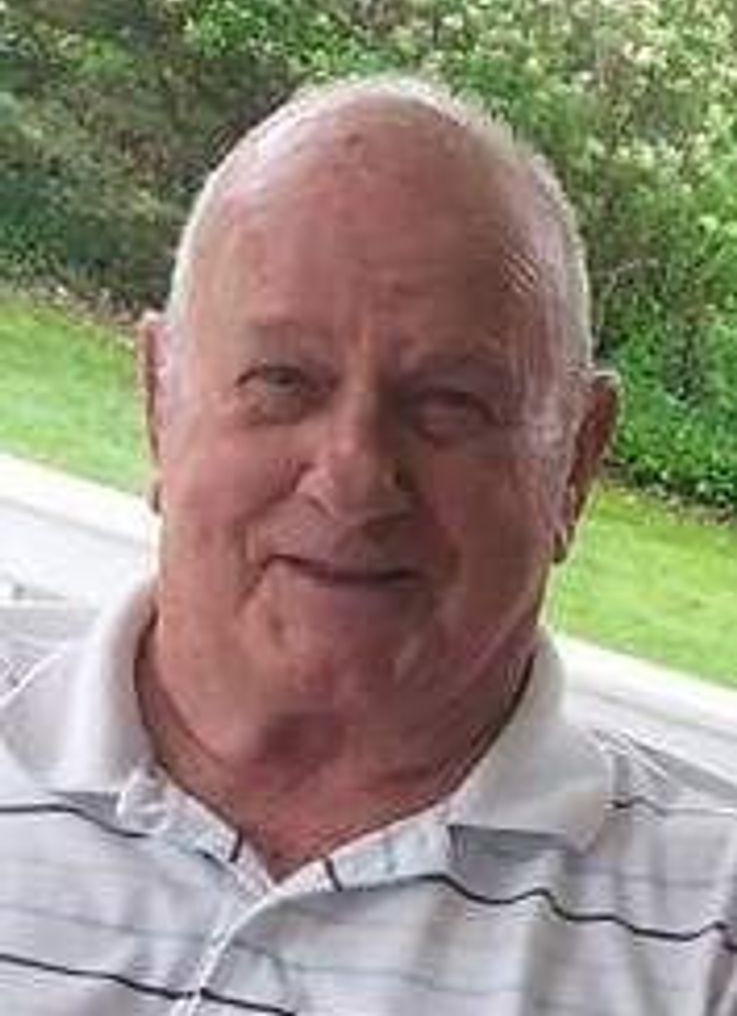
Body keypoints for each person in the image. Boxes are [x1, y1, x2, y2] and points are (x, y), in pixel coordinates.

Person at [1, 76, 736, 1015]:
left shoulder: (711, 939)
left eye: (450, 402)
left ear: (576, 463)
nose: (353, 476)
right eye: (282, 380)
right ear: (159, 403)